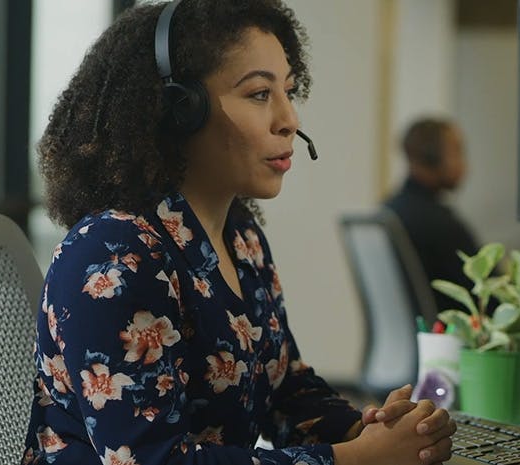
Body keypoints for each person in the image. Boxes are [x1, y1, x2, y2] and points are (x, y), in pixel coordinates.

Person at [22, 1, 454, 464]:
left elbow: (284, 386)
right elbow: (156, 461)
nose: (290, 119)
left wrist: (378, 431)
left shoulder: (240, 238)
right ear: (179, 109)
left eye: (288, 91)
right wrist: (358, 459)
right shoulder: (111, 255)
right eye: (259, 94)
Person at [384, 118, 481, 313]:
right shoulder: (439, 224)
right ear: (432, 158)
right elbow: (491, 296)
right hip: (448, 339)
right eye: (458, 152)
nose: (465, 165)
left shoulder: (391, 210)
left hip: (418, 339)